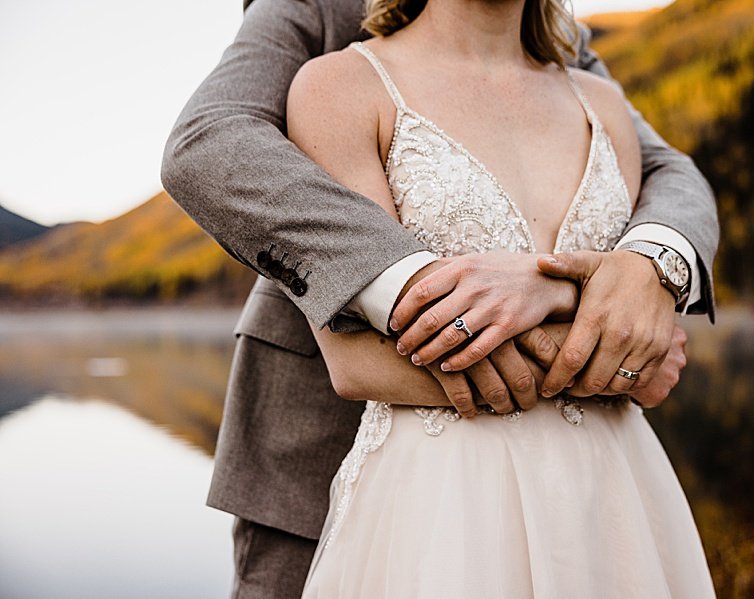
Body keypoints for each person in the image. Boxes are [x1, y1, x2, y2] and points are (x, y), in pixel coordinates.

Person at [161, 0, 717, 596]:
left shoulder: (569, 63)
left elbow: (666, 169)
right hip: (343, 438)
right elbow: (211, 140)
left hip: (602, 486)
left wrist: (635, 273)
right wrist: (414, 287)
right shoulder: (322, 35)